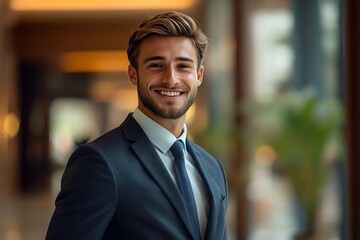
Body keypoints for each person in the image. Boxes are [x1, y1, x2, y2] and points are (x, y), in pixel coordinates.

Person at [45, 11, 228, 240]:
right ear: (134, 74)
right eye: (156, 65)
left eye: (183, 66)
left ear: (199, 75)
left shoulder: (213, 169)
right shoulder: (98, 163)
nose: (171, 79)